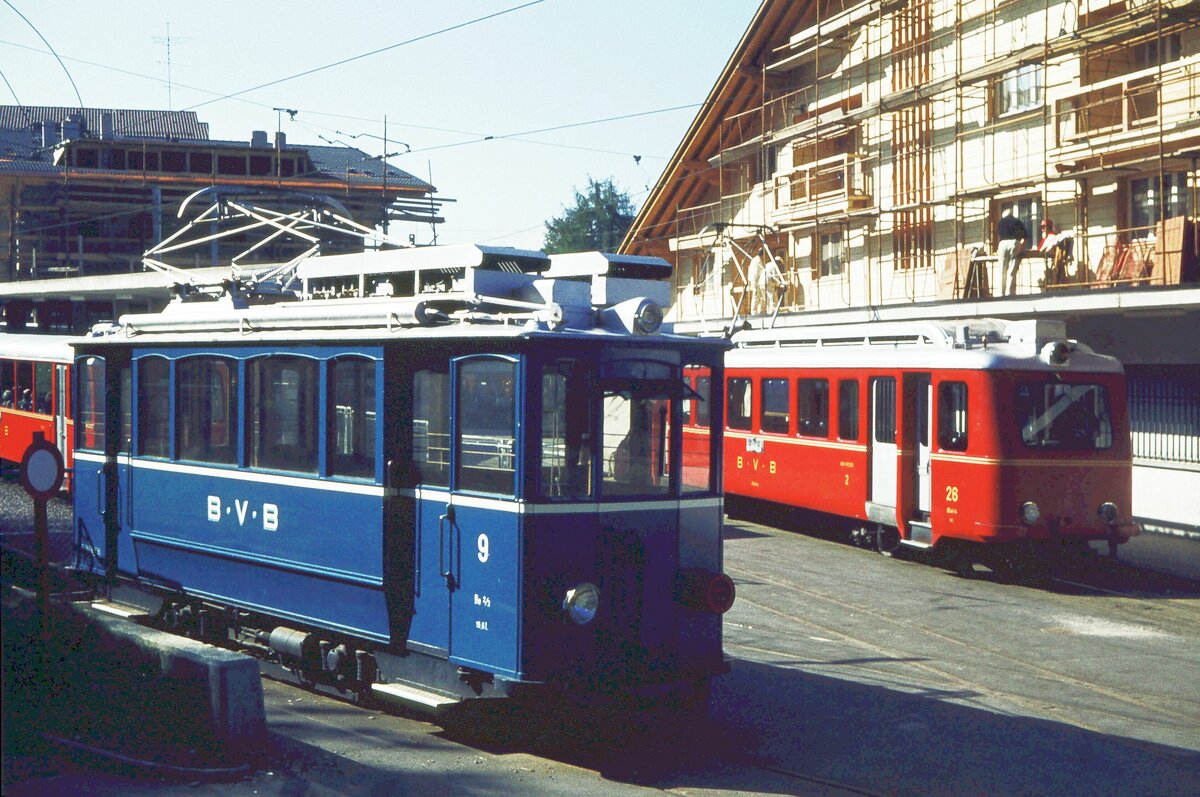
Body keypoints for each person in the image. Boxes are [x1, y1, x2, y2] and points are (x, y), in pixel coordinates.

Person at [997, 210, 1029, 296]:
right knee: (1012, 269)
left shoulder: (1000, 222)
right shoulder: (1016, 222)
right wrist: (1020, 249)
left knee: (1002, 269)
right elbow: (1024, 237)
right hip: (1014, 243)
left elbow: (999, 235)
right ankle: (1010, 292)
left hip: (1002, 244)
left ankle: (1001, 293)